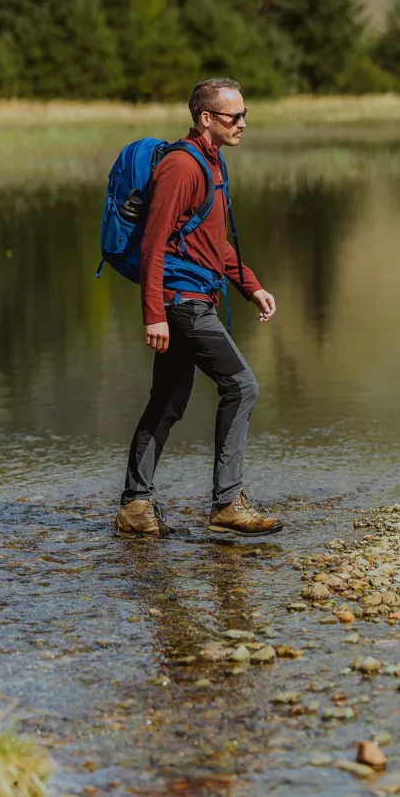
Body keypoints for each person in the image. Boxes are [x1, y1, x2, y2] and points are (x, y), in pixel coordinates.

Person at [115, 78, 284, 538]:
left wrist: (250, 286)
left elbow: (212, 244)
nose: (243, 124)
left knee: (167, 402)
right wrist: (153, 312)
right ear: (206, 118)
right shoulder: (180, 167)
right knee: (242, 386)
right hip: (181, 303)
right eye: (235, 116)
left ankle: (134, 507)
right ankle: (227, 502)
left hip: (194, 295)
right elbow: (153, 243)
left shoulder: (212, 164)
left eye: (246, 115)